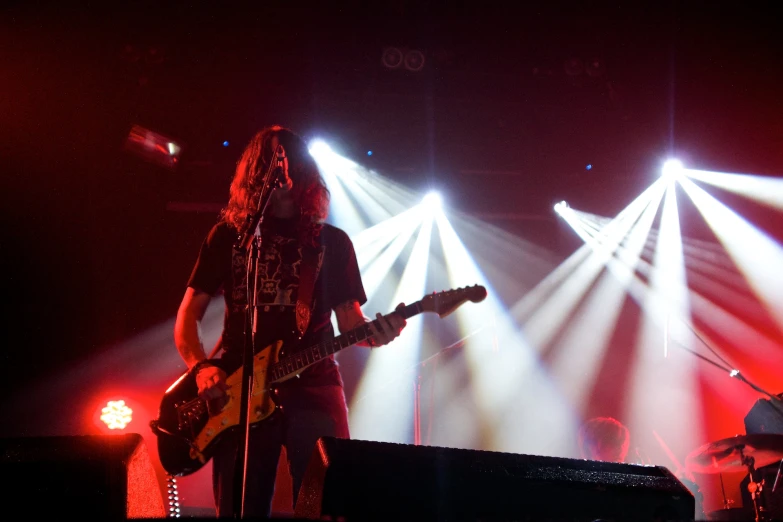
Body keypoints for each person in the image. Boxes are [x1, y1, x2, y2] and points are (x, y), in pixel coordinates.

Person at [173, 125, 407, 517]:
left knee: (324, 501)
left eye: (289, 164)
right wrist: (200, 369)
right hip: (239, 389)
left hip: (313, 386)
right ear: (254, 174)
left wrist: (379, 334)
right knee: (239, 506)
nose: (281, 173)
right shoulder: (229, 238)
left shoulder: (330, 242)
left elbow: (352, 325)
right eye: (269, 165)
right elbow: (187, 317)